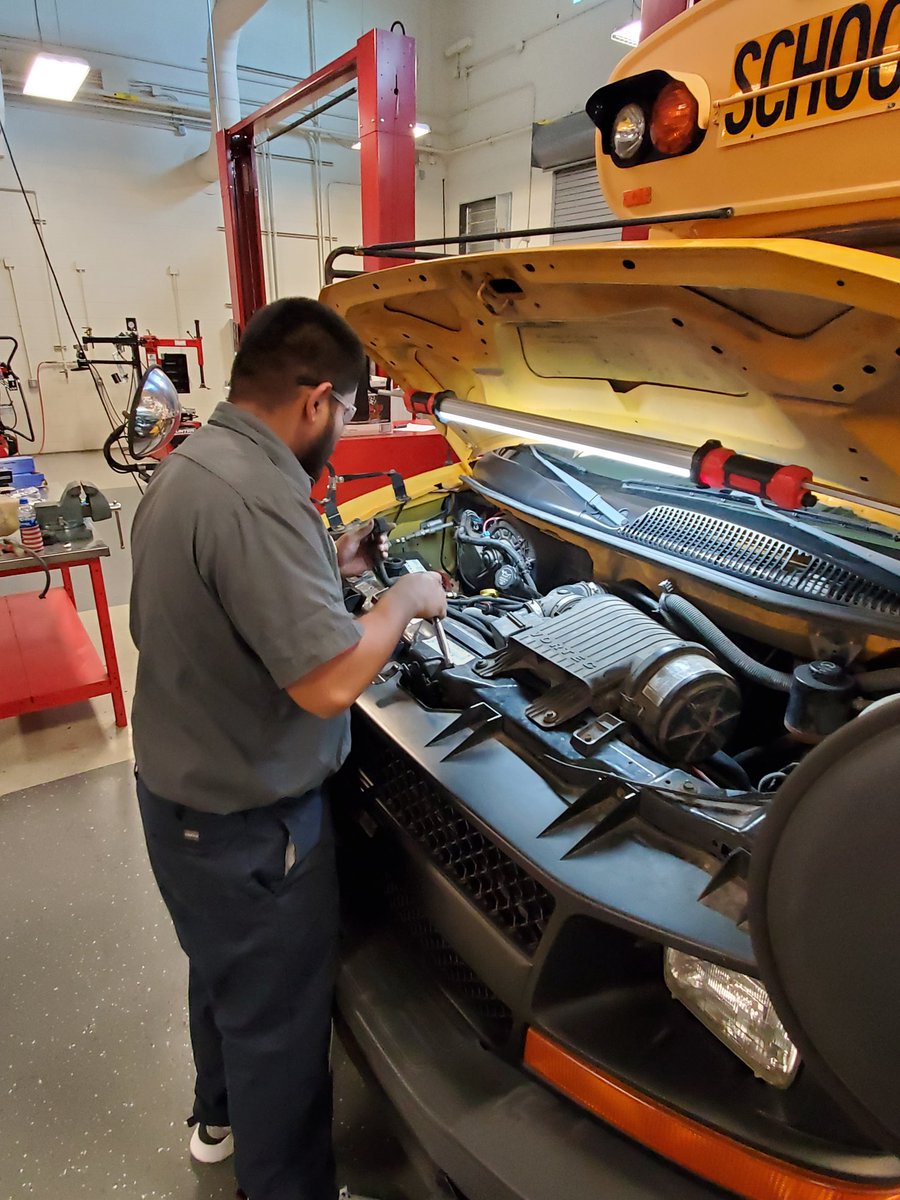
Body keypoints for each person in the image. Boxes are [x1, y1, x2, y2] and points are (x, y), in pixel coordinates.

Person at [129, 297, 447, 1200]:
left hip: (181, 802)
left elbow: (224, 604)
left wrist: (328, 570)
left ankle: (214, 1118)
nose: (342, 434)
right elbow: (328, 684)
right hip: (251, 829)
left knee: (223, 975)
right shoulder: (260, 496)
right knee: (280, 1026)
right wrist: (401, 600)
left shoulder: (195, 465)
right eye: (347, 412)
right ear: (316, 400)